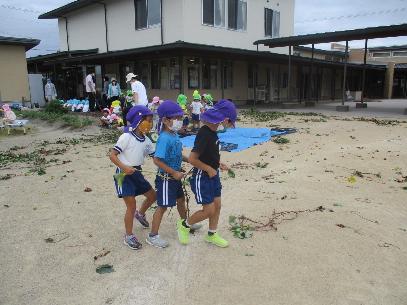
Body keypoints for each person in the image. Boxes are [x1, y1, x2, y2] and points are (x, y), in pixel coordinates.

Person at [177, 100, 237, 248]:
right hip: (202, 177)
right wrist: (208, 169)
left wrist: (217, 165)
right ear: (223, 118)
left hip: (213, 174)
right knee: (209, 210)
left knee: (217, 205)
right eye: (229, 121)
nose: (228, 125)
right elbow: (192, 159)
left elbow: (210, 155)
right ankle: (185, 225)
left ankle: (212, 234)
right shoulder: (204, 133)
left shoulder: (213, 132)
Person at [146, 101, 201, 248]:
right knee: (162, 206)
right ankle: (153, 235)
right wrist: (174, 172)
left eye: (179, 117)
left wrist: (190, 160)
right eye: (175, 118)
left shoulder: (174, 134)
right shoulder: (164, 138)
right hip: (166, 179)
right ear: (165, 120)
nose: (179, 121)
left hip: (175, 177)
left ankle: (185, 224)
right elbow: (157, 160)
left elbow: (177, 153)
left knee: (181, 200)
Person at [109, 105, 157, 250]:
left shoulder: (147, 141)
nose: (150, 124)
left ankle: (140, 214)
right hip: (122, 175)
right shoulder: (126, 137)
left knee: (152, 196)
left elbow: (156, 158)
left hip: (137, 173)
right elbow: (112, 155)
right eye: (147, 120)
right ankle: (128, 236)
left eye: (151, 121)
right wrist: (124, 167)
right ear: (138, 120)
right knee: (131, 205)